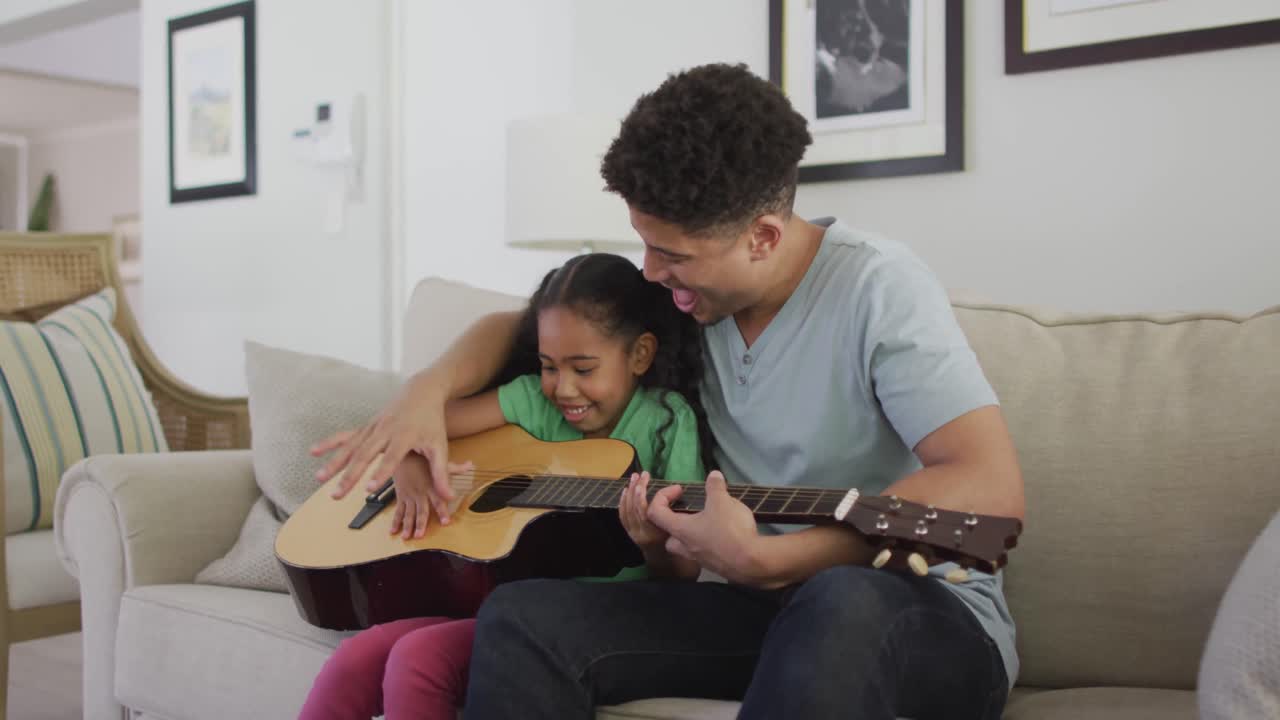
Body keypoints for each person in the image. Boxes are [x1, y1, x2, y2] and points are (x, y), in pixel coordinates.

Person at [313, 62, 1026, 720]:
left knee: (840, 602)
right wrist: (423, 394)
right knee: (524, 619)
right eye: (644, 244)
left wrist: (777, 559)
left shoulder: (880, 289)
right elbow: (517, 325)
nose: (649, 271)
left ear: (763, 238)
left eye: (672, 254)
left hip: (924, 613)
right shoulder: (688, 299)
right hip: (759, 611)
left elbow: (988, 486)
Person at [300, 252, 713, 720]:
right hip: (498, 591)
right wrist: (410, 460)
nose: (563, 389)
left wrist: (653, 544)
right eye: (549, 366)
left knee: (417, 662)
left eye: (583, 369)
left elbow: (684, 572)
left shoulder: (664, 422)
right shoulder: (535, 400)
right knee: (354, 660)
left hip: (580, 615)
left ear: (639, 354)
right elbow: (427, 424)